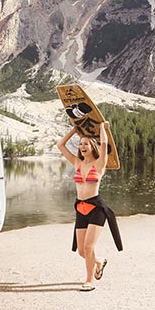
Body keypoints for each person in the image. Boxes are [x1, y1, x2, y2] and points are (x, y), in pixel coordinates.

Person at [56, 120, 122, 291]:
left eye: (86, 143)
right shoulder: (78, 163)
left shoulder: (99, 164)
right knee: (82, 252)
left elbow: (105, 143)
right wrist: (74, 130)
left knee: (88, 247)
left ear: (93, 146)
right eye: (81, 143)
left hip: (96, 208)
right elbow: (60, 145)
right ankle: (99, 262)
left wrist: (102, 128)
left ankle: (89, 280)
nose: (82, 146)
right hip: (80, 208)